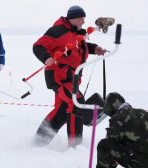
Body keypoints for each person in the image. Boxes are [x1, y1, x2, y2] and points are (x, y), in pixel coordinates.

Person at [32, 5, 106, 147]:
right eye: (80, 19)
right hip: (58, 75)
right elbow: (38, 46)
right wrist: (46, 57)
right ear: (72, 19)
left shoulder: (75, 32)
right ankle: (75, 144)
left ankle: (39, 142)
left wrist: (95, 48)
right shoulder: (58, 31)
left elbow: (78, 46)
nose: (83, 22)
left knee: (62, 110)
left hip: (71, 78)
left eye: (83, 19)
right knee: (76, 100)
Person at [96, 92, 148, 168]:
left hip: (140, 163)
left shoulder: (118, 118)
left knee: (104, 146)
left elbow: (110, 140)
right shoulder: (144, 113)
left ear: (112, 106)